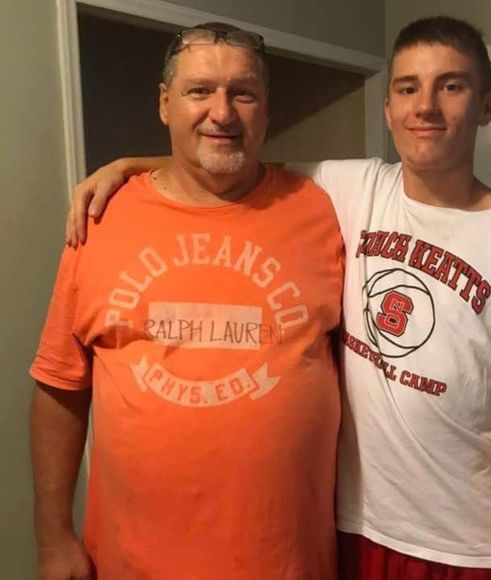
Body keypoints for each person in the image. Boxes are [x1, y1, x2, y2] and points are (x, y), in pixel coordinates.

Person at [66, 16, 491, 580]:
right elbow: (228, 158)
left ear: (487, 106)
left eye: (451, 86)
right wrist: (127, 167)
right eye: (408, 88)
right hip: (348, 526)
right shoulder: (353, 188)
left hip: (460, 543)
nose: (426, 106)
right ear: (388, 108)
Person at [30, 22, 344, 580]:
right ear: (164, 103)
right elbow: (59, 386)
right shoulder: (100, 219)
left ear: (266, 108)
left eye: (243, 93)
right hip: (133, 562)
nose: (222, 112)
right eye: (200, 91)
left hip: (287, 562)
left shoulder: (324, 208)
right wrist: (53, 536)